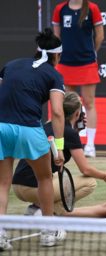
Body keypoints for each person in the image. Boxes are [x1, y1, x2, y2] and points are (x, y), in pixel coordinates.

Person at [0, 28, 65, 249]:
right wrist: (60, 147)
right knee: (45, 178)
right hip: (29, 129)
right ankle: (48, 231)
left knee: (2, 183)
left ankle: (0, 232)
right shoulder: (54, 74)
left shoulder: (11, 65)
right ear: (56, 56)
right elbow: (57, 112)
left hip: (1, 128)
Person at [12, 91, 106, 216]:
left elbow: (63, 144)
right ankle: (48, 211)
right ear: (77, 114)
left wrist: (76, 131)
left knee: (58, 175)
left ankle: (37, 208)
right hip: (34, 188)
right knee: (90, 182)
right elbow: (86, 170)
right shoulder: (69, 133)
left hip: (17, 186)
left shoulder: (49, 125)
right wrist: (105, 176)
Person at [52, 0, 104, 158]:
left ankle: (90, 145)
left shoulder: (92, 8)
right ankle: (72, 142)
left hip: (87, 63)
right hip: (65, 63)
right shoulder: (60, 9)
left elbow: (100, 36)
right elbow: (56, 36)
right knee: (69, 104)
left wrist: (91, 53)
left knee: (89, 102)